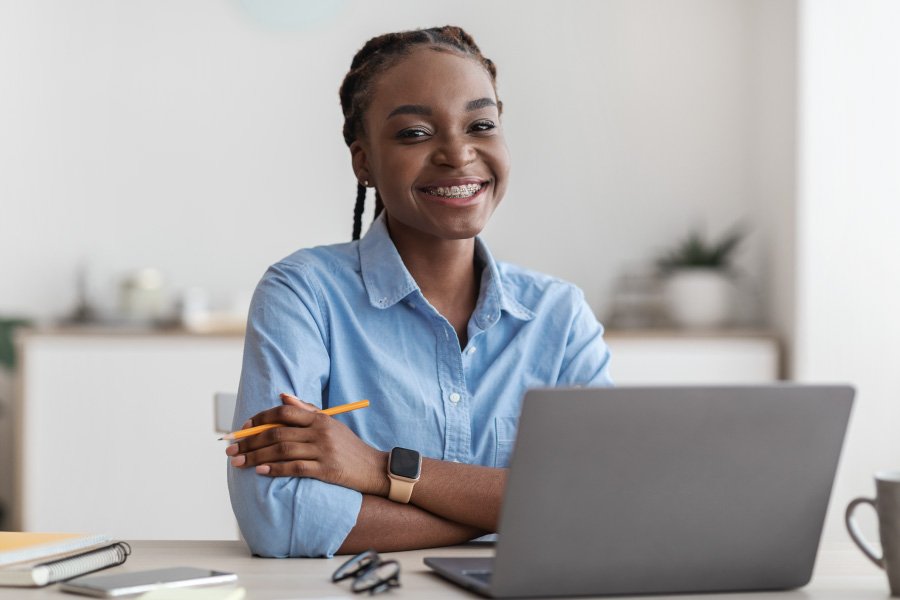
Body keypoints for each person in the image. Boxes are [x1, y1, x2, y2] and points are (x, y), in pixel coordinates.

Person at [226, 25, 612, 558]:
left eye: (480, 124)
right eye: (414, 133)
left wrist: (379, 469)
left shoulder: (560, 316)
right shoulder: (302, 294)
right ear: (363, 162)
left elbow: (606, 503)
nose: (457, 153)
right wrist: (518, 512)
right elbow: (281, 517)